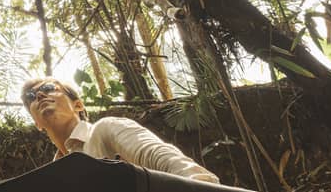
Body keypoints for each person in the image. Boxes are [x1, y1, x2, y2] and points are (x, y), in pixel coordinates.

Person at [21, 77, 220, 183]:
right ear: (37, 124)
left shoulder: (104, 130)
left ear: (78, 105)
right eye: (31, 96)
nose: (39, 95)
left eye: (48, 88)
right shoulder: (54, 179)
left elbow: (159, 156)